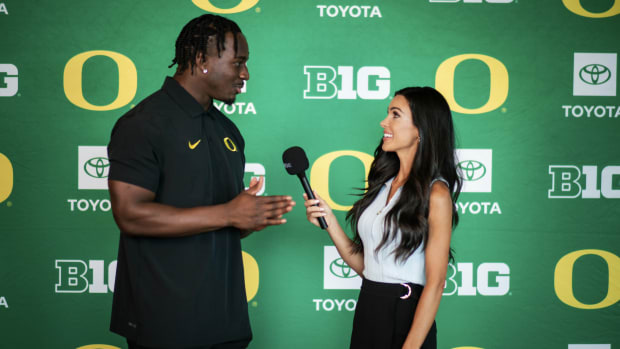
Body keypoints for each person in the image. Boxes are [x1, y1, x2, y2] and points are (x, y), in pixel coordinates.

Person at [107, 14, 295, 349]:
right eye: (238, 63)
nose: (245, 74)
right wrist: (228, 214)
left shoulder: (228, 130)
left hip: (226, 323)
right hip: (164, 324)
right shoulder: (143, 124)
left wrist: (248, 218)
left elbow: (221, 220)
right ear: (201, 60)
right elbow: (130, 213)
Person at [304, 87, 461, 349]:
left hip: (406, 315)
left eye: (395, 114)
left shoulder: (437, 194)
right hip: (369, 308)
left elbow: (435, 283)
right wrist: (328, 220)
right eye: (388, 113)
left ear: (420, 129)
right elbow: (368, 268)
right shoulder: (383, 184)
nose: (384, 122)